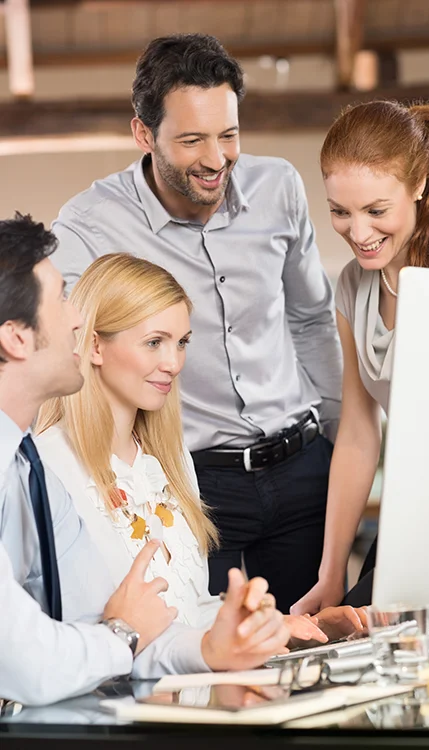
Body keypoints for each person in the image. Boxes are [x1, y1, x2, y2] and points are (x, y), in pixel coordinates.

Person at [50, 33, 343, 613]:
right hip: (193, 482)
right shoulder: (89, 224)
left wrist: (338, 440)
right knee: (202, 652)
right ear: (143, 133)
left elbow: (311, 320)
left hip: (303, 466)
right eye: (191, 140)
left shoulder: (278, 186)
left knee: (306, 651)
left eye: (228, 135)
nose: (216, 159)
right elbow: (68, 353)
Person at [0, 213, 292, 707]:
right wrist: (121, 632)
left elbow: (126, 629)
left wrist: (211, 644)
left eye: (179, 343)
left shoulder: (23, 463)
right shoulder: (42, 463)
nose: (77, 317)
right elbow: (34, 660)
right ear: (16, 337)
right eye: (61, 300)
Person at [35, 252, 365, 649]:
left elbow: (193, 610)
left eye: (182, 343)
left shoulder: (172, 462)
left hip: (196, 695)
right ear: (94, 347)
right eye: (154, 342)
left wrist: (286, 628)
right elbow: (52, 635)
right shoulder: (48, 467)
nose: (173, 363)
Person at [291, 100, 429, 619]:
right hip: (418, 517)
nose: (358, 233)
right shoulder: (351, 287)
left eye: (376, 211)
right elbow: (361, 432)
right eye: (341, 211)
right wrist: (332, 571)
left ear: (420, 185)